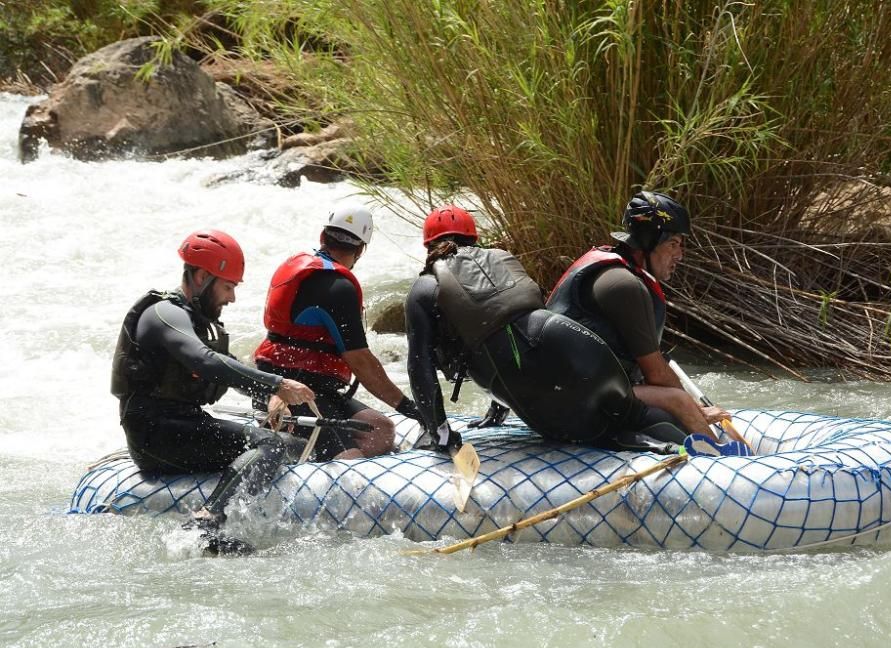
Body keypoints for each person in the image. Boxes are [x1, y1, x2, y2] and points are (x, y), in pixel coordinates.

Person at [405, 205, 689, 452]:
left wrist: (440, 432)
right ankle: (701, 449)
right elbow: (512, 326)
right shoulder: (501, 260)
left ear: (428, 246)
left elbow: (420, 365)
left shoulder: (425, 286)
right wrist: (498, 405)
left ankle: (653, 446)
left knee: (590, 430)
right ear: (474, 238)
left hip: (531, 372)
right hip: (575, 348)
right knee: (631, 415)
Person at [111, 229, 316, 555]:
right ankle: (209, 519)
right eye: (228, 286)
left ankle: (221, 529)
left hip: (183, 425)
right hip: (154, 433)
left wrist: (271, 400)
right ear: (202, 276)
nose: (232, 297)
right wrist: (277, 384)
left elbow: (229, 370)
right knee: (270, 444)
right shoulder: (165, 314)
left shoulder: (197, 321)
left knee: (292, 444)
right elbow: (203, 361)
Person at [546, 191, 729, 439]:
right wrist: (697, 410)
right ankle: (722, 463)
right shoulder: (624, 284)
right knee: (678, 402)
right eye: (673, 244)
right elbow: (655, 372)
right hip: (572, 398)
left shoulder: (614, 270)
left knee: (675, 403)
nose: (680, 255)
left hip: (570, 390)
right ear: (648, 241)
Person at [254, 205, 421, 458]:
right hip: (287, 392)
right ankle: (309, 456)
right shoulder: (338, 288)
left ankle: (312, 453)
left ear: (323, 237)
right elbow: (361, 363)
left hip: (308, 387)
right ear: (361, 250)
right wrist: (412, 410)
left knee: (382, 430)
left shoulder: (297, 266)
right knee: (350, 457)